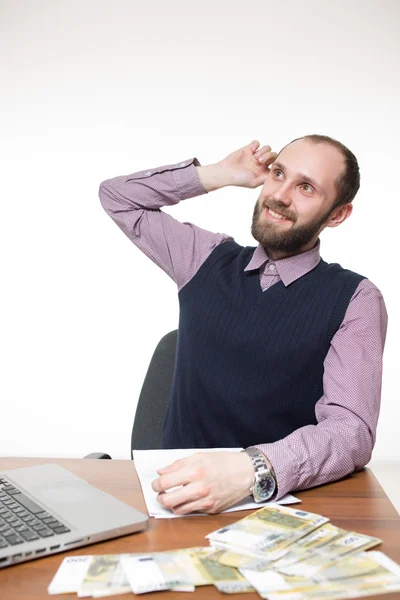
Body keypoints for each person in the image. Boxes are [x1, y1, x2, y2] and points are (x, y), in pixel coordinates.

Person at [99, 135, 387, 515]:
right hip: (173, 499)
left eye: (305, 187)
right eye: (278, 174)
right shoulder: (202, 257)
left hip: (279, 507)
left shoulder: (356, 299)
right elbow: (117, 196)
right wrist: (218, 174)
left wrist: (251, 469)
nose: (280, 195)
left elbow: (352, 432)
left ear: (337, 214)